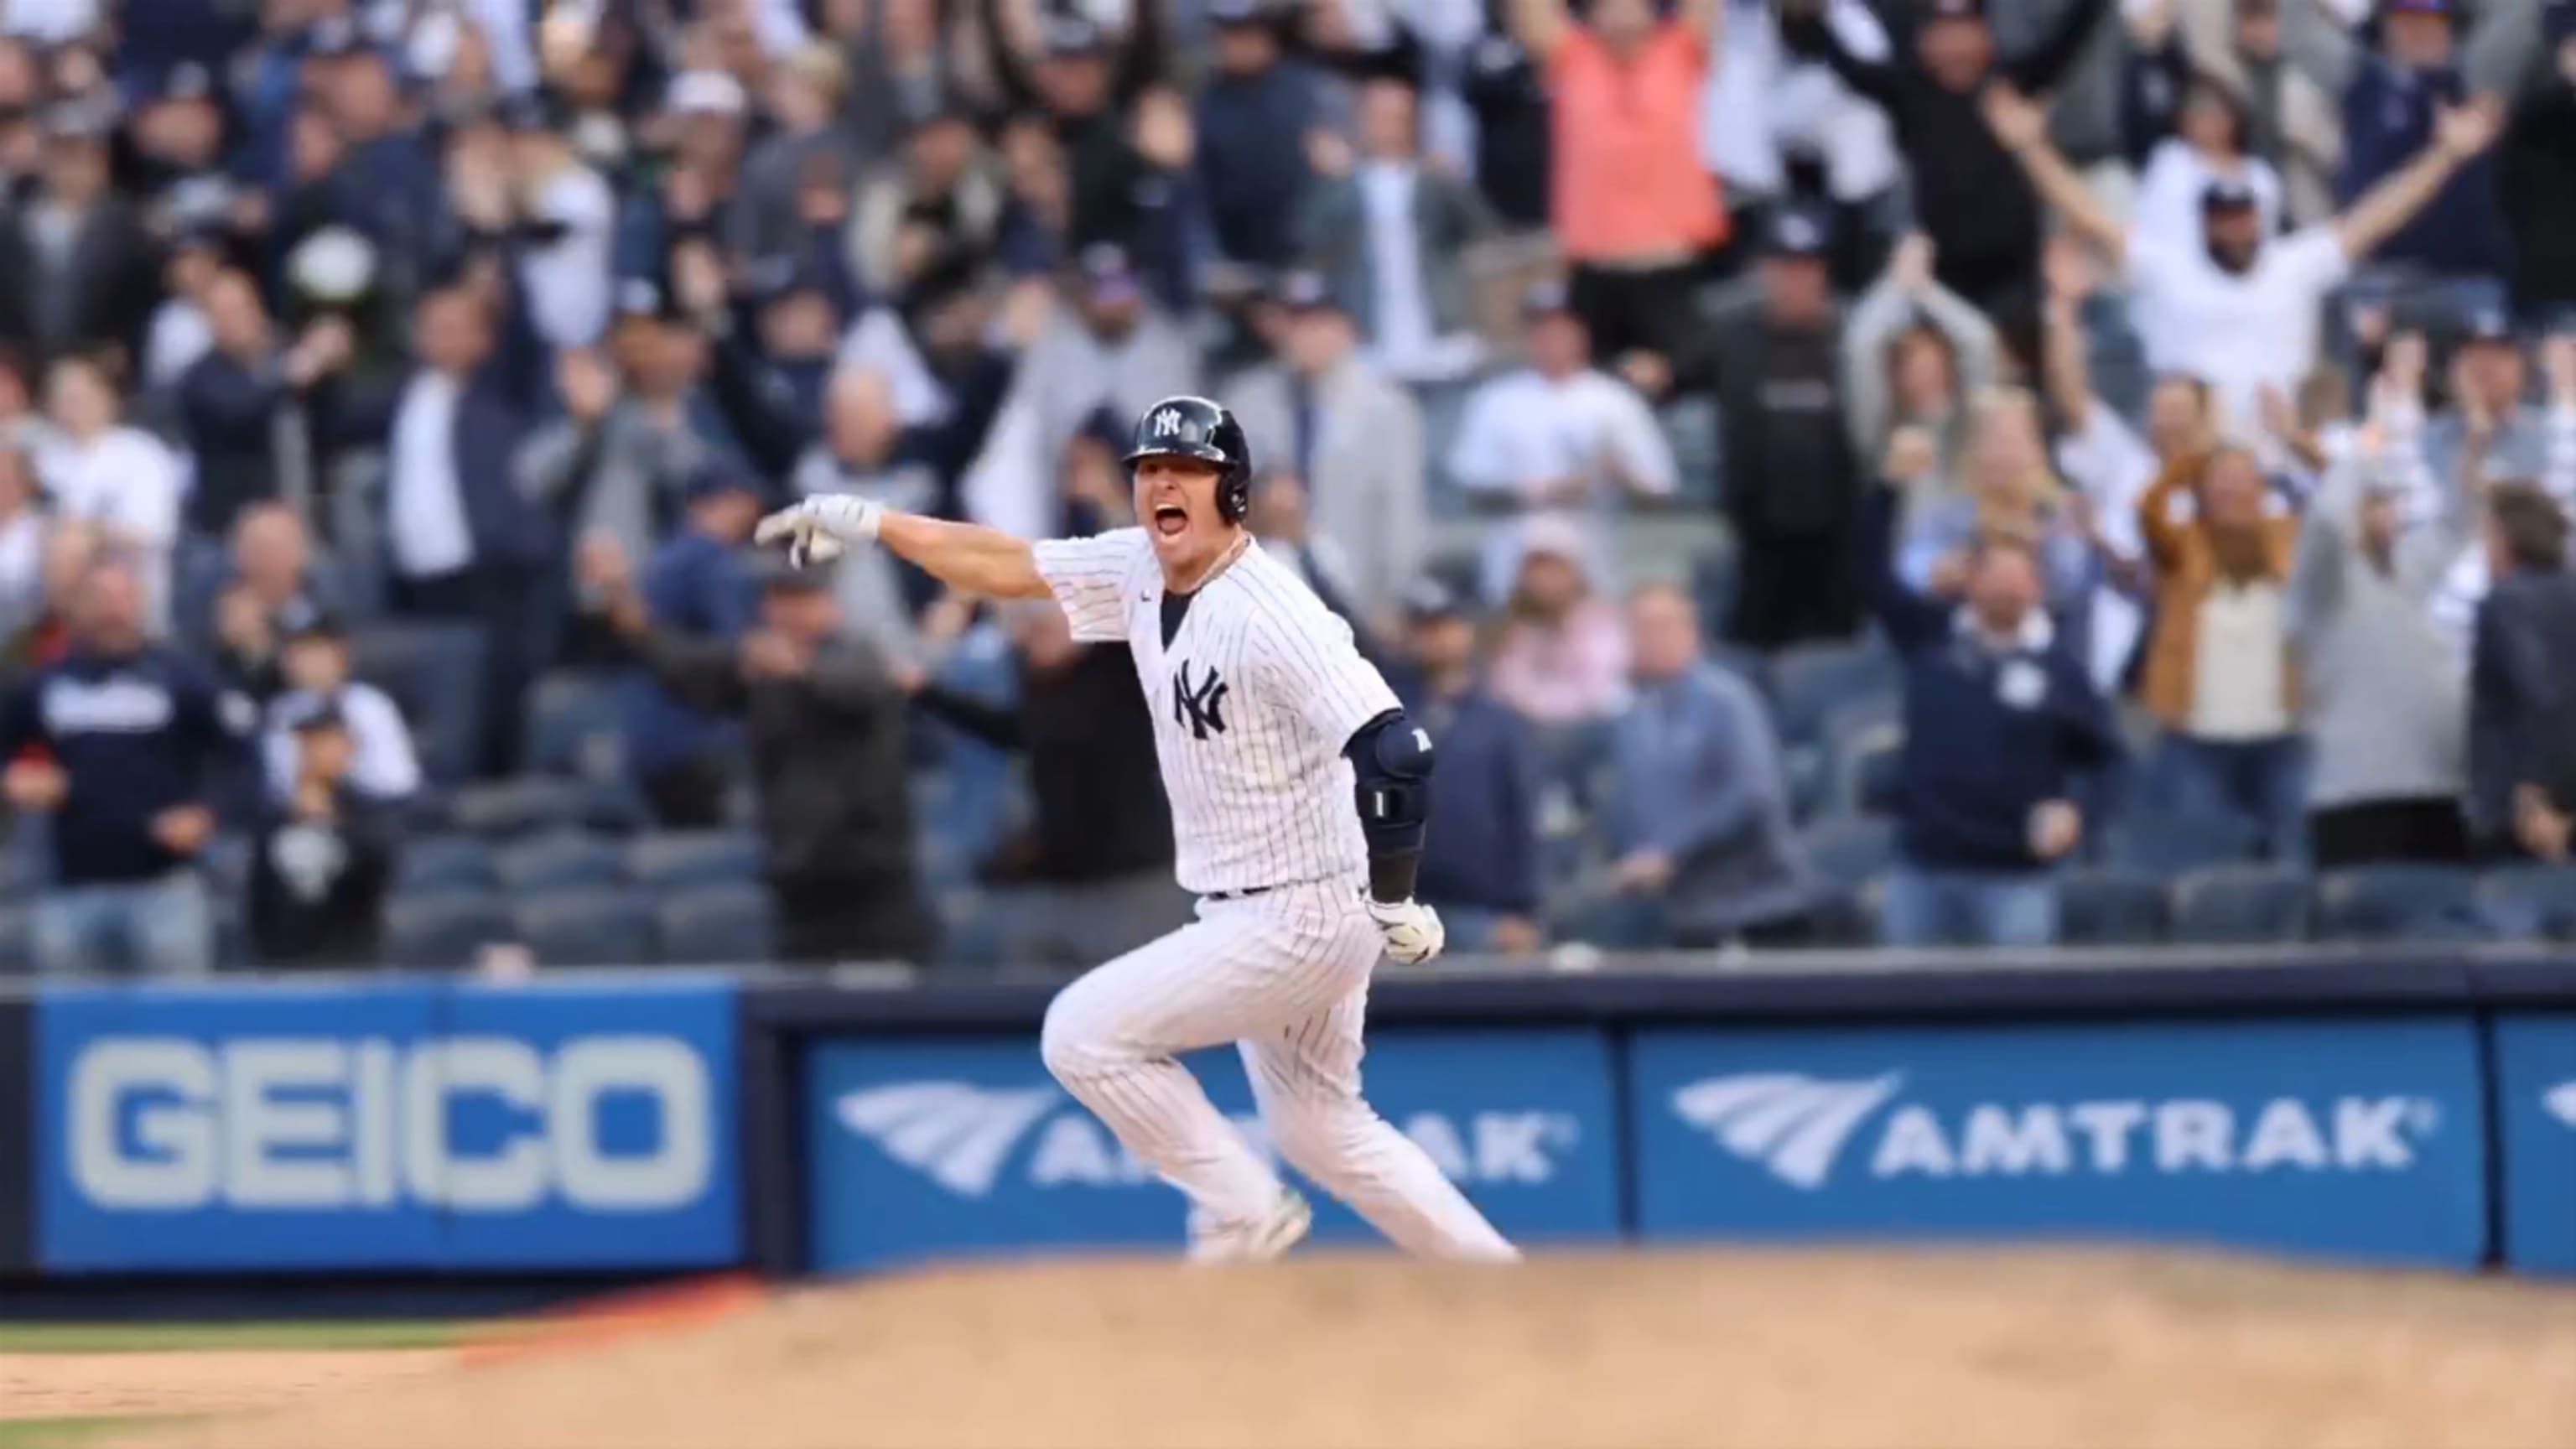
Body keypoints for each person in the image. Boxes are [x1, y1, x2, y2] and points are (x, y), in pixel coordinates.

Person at [756, 394, 1517, 1263]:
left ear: (1232, 491)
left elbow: (1396, 744)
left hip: (1299, 908)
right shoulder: (1140, 569)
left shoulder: (1274, 610)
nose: (1164, 483)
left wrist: (1395, 896)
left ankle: (1237, 1208)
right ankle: (1493, 1277)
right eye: (1151, 470)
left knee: (1082, 1033)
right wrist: (874, 520)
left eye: (1187, 470)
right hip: (1266, 902)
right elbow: (1008, 566)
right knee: (1323, 1129)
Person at [1984, 80, 2501, 433]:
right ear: (2204, 222)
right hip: (2186, 453)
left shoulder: (2292, 264)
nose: (2235, 230)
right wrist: (2031, 150)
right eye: (2223, 219)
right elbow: (2090, 215)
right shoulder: (2169, 265)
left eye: (2243, 218)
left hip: (2283, 451)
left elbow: (2375, 217)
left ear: (2260, 217)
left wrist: (2447, 155)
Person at [580, 544, 931, 965]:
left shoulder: (860, 656)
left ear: (831, 604)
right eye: (775, 598)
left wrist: (800, 669)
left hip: (873, 891)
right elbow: (681, 662)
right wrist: (623, 599)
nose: (779, 611)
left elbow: (867, 685)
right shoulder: (763, 672)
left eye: (796, 598)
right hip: (798, 889)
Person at [1865, 427, 2122, 948]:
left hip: (2017, 878)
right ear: (1971, 581)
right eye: (1995, 577)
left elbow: (2109, 761)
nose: (2005, 589)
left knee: (2021, 1015)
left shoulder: (2060, 671)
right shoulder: (1931, 643)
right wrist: (1886, 493)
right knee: (1904, 1010)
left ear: (2037, 587)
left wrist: (2077, 814)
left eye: (2017, 578)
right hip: (1923, 871)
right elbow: (1870, 577)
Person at [0, 554, 240, 976]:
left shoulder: (179, 678)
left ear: (141, 603)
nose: (113, 610)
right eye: (101, 598)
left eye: (123, 597)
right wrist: (14, 777)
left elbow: (241, 754)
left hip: (164, 888)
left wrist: (206, 813)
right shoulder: (49, 682)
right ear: (80, 607)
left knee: (174, 1025)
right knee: (65, 1028)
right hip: (70, 889)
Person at [1590, 583, 1817, 949]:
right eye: (1639, 629)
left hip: (1758, 913)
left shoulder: (1727, 700)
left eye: (1662, 626)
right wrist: (1632, 859)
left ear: (1691, 631)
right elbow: (1633, 808)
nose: (1651, 639)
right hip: (1688, 919)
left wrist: (1671, 853)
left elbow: (1754, 796)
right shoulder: (1631, 717)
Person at [1387, 580, 1546, 955]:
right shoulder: (1382, 717)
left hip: (1484, 912)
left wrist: (1525, 910)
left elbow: (1523, 818)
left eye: (1445, 625)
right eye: (1424, 628)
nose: (1436, 638)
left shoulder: (1501, 723)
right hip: (1399, 911)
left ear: (1467, 631)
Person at [2467, 482, 2576, 862]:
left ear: (2505, 536)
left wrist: (2534, 793)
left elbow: (2539, 693)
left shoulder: (2505, 602)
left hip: (2521, 808)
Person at [245, 704, 401, 967]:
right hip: (283, 963)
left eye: (329, 741)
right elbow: (259, 898)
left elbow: (375, 875)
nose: (317, 752)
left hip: (351, 961)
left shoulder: (367, 813)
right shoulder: (271, 818)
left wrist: (333, 823)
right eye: (310, 742)